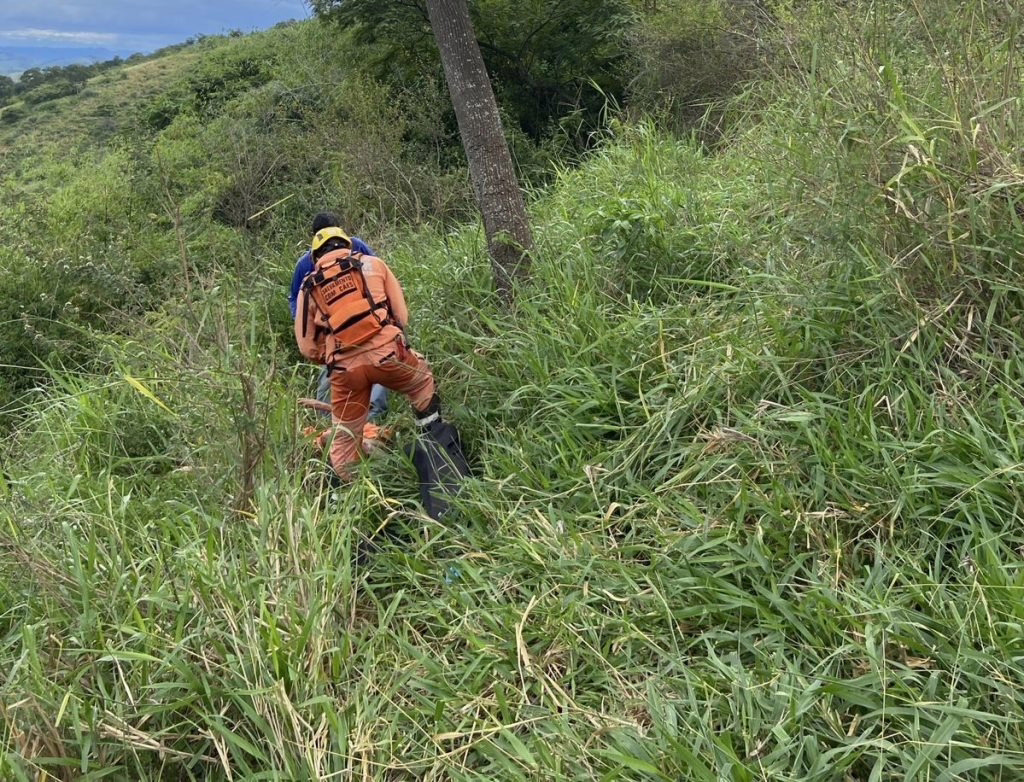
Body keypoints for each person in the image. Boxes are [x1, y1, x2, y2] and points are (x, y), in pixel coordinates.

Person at [295, 226, 447, 480]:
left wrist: (338, 354)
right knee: (422, 384)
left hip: (345, 371)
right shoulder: (374, 264)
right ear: (348, 245)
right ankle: (435, 445)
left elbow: (307, 347)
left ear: (315, 256)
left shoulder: (308, 286)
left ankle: (361, 496)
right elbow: (401, 316)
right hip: (389, 355)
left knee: (343, 443)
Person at [290, 212, 389, 421]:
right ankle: (327, 421)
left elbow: (375, 271)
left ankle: (374, 417)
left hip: (365, 318)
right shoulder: (305, 264)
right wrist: (305, 327)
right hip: (331, 329)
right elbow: (295, 299)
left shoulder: (356, 246)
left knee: (377, 358)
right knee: (332, 371)